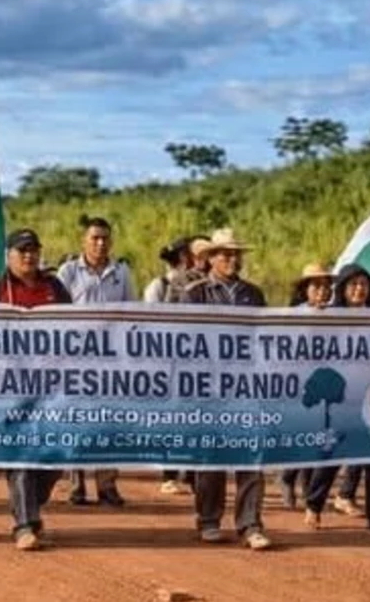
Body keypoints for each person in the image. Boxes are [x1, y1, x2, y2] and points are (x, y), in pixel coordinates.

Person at [0, 228, 72, 551]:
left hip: (51, 386)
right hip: (8, 388)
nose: (29, 256)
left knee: (55, 456)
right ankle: (24, 524)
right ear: (9, 256)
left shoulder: (54, 287)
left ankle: (30, 506)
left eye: (33, 250)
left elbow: (75, 324)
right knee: (21, 451)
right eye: (22, 250)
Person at [182, 228, 272, 551]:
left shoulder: (254, 294)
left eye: (236, 254)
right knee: (212, 456)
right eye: (225, 254)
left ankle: (250, 524)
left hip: (247, 386)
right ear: (210, 259)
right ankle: (208, 520)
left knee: (252, 455)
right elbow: (181, 341)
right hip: (209, 387)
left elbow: (265, 337)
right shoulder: (195, 294)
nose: (232, 259)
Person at [303, 264, 370, 540]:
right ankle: (314, 505)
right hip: (340, 399)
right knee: (331, 455)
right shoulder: (329, 317)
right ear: (343, 288)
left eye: (364, 284)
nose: (359, 289)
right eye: (353, 284)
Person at [56, 217, 132, 508]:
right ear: (83, 241)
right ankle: (77, 484)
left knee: (108, 423)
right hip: (75, 360)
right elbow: (56, 314)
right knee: (76, 421)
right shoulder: (68, 271)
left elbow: (133, 313)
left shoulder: (121, 272)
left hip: (111, 361)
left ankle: (107, 485)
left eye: (105, 238)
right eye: (95, 238)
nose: (100, 243)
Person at [279, 263, 332, 508]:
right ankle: (288, 476)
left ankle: (307, 488)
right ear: (305, 289)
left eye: (326, 286)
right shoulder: (293, 316)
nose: (322, 291)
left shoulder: (337, 315)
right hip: (300, 384)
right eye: (316, 286)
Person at [146, 237, 195, 495]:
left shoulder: (200, 285)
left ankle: (191, 472)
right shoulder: (159, 285)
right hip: (167, 361)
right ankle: (170, 473)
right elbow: (150, 322)